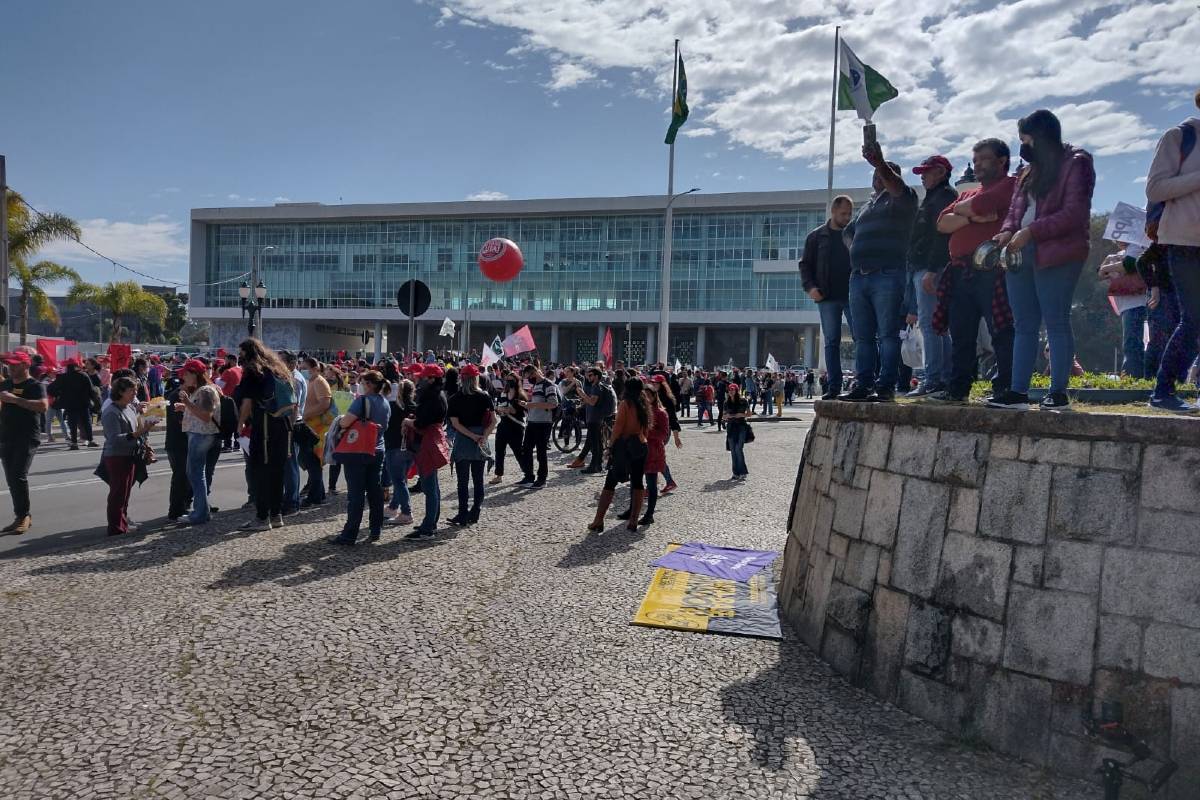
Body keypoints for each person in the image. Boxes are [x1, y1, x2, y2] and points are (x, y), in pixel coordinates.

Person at [990, 109, 1095, 410]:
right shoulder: (1027, 172)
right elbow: (1015, 210)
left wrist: (1031, 232)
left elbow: (1074, 213)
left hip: (1058, 251)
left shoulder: (1076, 162)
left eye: (1026, 140)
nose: (1023, 146)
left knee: (1055, 320)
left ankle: (1058, 392)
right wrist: (1007, 231)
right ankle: (1018, 392)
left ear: (1042, 137)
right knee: (1024, 324)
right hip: (1020, 251)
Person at [929, 138, 1018, 403]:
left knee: (1000, 329)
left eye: (984, 159)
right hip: (960, 270)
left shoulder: (1010, 185)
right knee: (961, 333)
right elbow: (942, 223)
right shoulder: (967, 193)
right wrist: (971, 216)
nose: (977, 165)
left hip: (992, 266)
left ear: (1001, 161)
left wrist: (965, 212)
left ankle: (1005, 386)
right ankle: (958, 388)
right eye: (975, 160)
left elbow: (981, 205)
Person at [841, 143, 919, 402]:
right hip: (859, 276)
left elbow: (895, 186)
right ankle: (863, 384)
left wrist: (880, 164)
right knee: (863, 337)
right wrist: (857, 250)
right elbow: (847, 232)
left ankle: (885, 386)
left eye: (883, 175)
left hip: (887, 274)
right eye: (875, 175)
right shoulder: (867, 206)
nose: (878, 178)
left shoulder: (903, 198)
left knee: (887, 334)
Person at [1143, 90, 1200, 410]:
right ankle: (1162, 391)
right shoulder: (1180, 137)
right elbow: (1155, 188)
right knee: (1194, 318)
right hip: (1184, 241)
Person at [906, 155, 958, 396]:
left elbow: (941, 236)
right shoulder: (934, 197)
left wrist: (932, 269)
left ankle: (934, 378)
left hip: (931, 268)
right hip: (925, 267)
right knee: (937, 326)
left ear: (940, 172)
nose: (922, 177)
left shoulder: (943, 196)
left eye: (926, 172)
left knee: (930, 324)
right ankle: (942, 378)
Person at [236, 339, 295, 531]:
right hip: (283, 424)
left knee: (260, 471)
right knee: (277, 472)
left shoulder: (253, 371)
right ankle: (276, 515)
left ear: (248, 353)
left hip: (265, 425)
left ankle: (262, 518)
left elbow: (247, 402)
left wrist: (240, 423)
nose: (240, 356)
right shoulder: (278, 369)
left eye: (241, 352)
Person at [800, 195, 856, 399]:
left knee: (862, 338)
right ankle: (834, 387)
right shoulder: (816, 237)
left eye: (849, 214)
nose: (847, 218)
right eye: (843, 214)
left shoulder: (854, 233)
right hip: (827, 297)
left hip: (853, 295)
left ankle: (865, 383)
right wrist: (810, 287)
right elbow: (805, 265)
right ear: (833, 211)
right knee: (831, 342)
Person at [331, 370, 391, 546]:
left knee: (356, 494)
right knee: (374, 491)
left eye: (363, 383)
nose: (361, 386)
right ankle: (375, 529)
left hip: (359, 450)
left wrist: (340, 419)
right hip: (378, 449)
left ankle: (350, 534)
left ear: (369, 385)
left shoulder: (362, 401)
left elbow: (345, 422)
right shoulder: (385, 402)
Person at [588, 377, 651, 533]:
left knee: (610, 482)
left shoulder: (625, 404)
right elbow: (646, 428)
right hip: (640, 445)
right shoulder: (644, 404)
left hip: (624, 446)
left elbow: (618, 427)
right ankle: (633, 521)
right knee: (638, 482)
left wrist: (610, 446)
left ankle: (598, 520)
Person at [101, 375, 159, 536]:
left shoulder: (130, 408)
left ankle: (123, 523)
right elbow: (114, 439)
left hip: (130, 455)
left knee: (124, 493)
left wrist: (145, 432)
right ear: (120, 392)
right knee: (118, 494)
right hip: (117, 457)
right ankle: (115, 528)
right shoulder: (111, 412)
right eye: (131, 391)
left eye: (136, 390)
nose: (135, 394)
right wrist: (139, 432)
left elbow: (136, 430)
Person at [0, 351, 49, 534]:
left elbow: (43, 406)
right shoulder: (5, 383)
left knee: (18, 474)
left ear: (26, 365)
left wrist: (15, 400)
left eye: (15, 364)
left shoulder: (35, 385)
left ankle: (24, 516)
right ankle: (20, 516)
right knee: (12, 479)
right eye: (9, 364)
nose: (11, 367)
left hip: (27, 436)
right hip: (6, 435)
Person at [447, 364, 496, 526]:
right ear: (476, 378)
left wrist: (472, 436)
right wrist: (483, 436)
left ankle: (462, 513)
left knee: (462, 481)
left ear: (461, 378)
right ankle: (475, 511)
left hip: (463, 439)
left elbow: (455, 424)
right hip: (481, 438)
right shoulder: (485, 396)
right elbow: (493, 421)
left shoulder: (455, 398)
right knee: (478, 479)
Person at [175, 359, 221, 526]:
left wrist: (187, 403)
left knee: (195, 473)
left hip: (201, 435)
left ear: (195, 374)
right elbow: (202, 412)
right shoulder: (202, 390)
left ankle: (200, 513)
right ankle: (202, 511)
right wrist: (185, 407)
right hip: (199, 434)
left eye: (186, 374)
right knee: (195, 473)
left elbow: (206, 416)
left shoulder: (206, 390)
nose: (183, 377)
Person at [406, 364, 449, 539]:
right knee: (432, 486)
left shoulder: (432, 397)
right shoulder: (437, 395)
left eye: (423, 377)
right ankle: (431, 522)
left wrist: (408, 422)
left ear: (431, 379)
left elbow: (421, 423)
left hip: (427, 441)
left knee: (430, 487)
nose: (419, 379)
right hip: (431, 439)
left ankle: (428, 527)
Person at [617, 384, 669, 527]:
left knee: (651, 484)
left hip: (653, 452)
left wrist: (645, 431)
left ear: (654, 396)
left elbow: (664, 434)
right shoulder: (639, 410)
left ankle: (649, 514)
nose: (646, 398)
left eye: (648, 395)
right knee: (635, 482)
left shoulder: (660, 413)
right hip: (638, 450)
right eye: (643, 395)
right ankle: (632, 510)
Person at [517, 365, 557, 488]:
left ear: (534, 372)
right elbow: (536, 403)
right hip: (532, 421)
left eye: (529, 376)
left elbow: (553, 404)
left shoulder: (548, 385)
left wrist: (532, 405)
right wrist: (527, 404)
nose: (529, 379)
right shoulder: (536, 385)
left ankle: (542, 479)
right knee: (526, 449)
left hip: (543, 423)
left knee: (541, 452)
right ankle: (529, 476)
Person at [570, 367, 614, 474]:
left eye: (590, 375)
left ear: (596, 376)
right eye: (587, 375)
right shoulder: (597, 386)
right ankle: (597, 465)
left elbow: (592, 402)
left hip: (594, 418)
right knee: (597, 443)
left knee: (595, 445)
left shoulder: (596, 387)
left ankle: (594, 466)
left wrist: (581, 393)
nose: (588, 377)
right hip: (595, 418)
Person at [384, 379, 417, 523]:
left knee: (398, 481)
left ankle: (406, 512)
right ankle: (393, 507)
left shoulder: (393, 406)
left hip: (394, 445)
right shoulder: (415, 407)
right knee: (401, 479)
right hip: (411, 447)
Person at [163, 373, 192, 523]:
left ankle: (184, 507)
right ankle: (175, 511)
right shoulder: (176, 396)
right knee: (180, 477)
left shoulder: (187, 395)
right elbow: (182, 421)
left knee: (187, 477)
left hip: (184, 442)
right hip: (177, 443)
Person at [490, 375, 527, 484]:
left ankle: (528, 474)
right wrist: (500, 409)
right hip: (503, 425)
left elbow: (519, 411)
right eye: (508, 380)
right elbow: (498, 408)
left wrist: (507, 409)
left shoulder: (521, 395)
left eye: (512, 380)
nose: (509, 382)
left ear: (517, 381)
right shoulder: (503, 394)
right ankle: (498, 475)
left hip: (516, 427)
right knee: (499, 451)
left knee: (518, 451)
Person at [724, 382, 752, 481]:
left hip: (741, 426)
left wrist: (741, 415)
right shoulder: (726, 402)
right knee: (733, 450)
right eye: (729, 390)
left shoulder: (743, 401)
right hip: (731, 427)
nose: (731, 391)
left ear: (736, 391)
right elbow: (723, 416)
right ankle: (735, 473)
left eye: (732, 390)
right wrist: (726, 416)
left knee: (738, 449)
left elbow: (749, 414)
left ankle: (743, 472)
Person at [218, 353, 242, 451]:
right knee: (238, 421)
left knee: (227, 423)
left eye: (226, 361)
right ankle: (237, 443)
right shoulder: (241, 370)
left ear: (232, 361)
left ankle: (227, 444)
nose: (225, 363)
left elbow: (220, 386)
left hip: (228, 400)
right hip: (239, 400)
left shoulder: (228, 371)